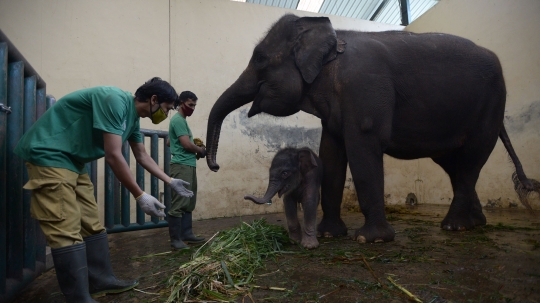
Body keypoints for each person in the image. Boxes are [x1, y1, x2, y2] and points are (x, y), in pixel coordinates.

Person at [14, 77, 193, 303]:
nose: (164, 115)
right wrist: (140, 195)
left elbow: (142, 155)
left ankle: (100, 280)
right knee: (65, 225)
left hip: (74, 161)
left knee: (91, 221)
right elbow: (113, 155)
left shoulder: (133, 118)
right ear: (154, 99)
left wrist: (170, 181)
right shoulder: (115, 100)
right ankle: (79, 298)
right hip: (49, 154)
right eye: (166, 109)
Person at [166, 91, 206, 250]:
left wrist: (189, 143)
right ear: (181, 103)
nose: (192, 108)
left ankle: (187, 234)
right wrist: (200, 150)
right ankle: (175, 240)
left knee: (189, 199)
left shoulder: (180, 121)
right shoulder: (178, 120)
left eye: (194, 105)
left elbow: (170, 142)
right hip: (181, 165)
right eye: (190, 105)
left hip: (187, 164)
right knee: (180, 201)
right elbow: (186, 145)